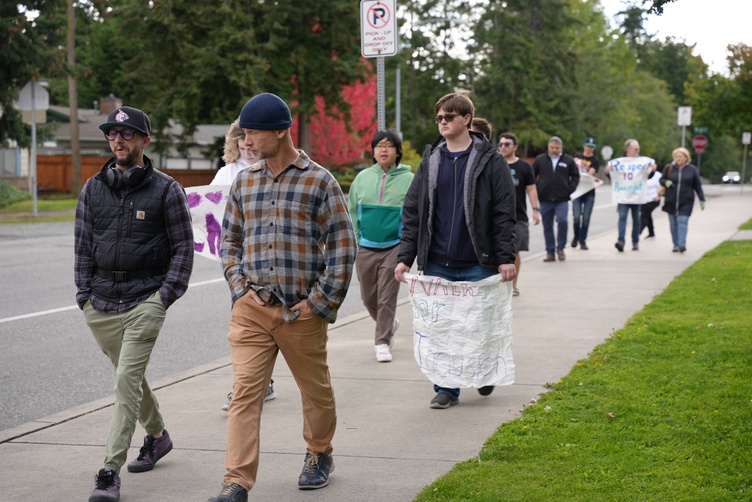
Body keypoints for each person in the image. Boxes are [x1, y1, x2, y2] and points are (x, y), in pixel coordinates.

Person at [208, 93, 357, 502]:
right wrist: (239, 291)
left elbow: (343, 247)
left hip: (300, 312)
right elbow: (230, 242)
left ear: (279, 131)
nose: (247, 140)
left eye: (253, 132)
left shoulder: (320, 180)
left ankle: (319, 452)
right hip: (252, 310)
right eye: (245, 133)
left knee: (316, 393)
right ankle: (236, 481)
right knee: (244, 395)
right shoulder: (244, 180)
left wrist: (317, 305)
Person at [75, 106, 194, 502]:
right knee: (133, 379)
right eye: (112, 134)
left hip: (146, 299)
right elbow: (82, 247)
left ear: (145, 140)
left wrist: (164, 298)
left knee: (125, 383)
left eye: (127, 134)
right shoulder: (93, 188)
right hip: (101, 303)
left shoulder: (166, 190)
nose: (118, 140)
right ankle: (158, 437)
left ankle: (109, 472)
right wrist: (84, 297)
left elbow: (182, 249)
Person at [394, 92, 516, 409]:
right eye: (439, 118)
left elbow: (504, 212)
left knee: (480, 325)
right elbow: (412, 212)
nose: (443, 123)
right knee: (442, 330)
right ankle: (447, 388)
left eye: (449, 117)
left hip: (479, 260)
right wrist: (405, 257)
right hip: (437, 262)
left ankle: (485, 372)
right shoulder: (431, 161)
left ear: (466, 119)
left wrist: (505, 258)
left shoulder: (491, 160)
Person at [212, 119, 277, 411]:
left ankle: (263, 381)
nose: (248, 151)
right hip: (238, 258)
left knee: (270, 321)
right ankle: (248, 385)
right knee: (243, 325)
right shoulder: (227, 173)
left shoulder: (270, 168)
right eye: (241, 145)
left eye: (250, 143)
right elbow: (210, 206)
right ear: (234, 145)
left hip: (266, 254)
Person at [348, 130, 414, 362]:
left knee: (387, 297)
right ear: (373, 152)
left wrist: (408, 245)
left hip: (394, 246)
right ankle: (389, 323)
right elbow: (353, 210)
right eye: (379, 146)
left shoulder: (409, 179)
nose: (383, 150)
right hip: (365, 246)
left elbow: (413, 215)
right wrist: (355, 239)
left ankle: (382, 342)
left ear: (397, 151)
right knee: (369, 298)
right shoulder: (362, 178)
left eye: (389, 146)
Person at [498, 132, 540, 296]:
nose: (503, 147)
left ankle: (512, 286)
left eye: (507, 144)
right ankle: (499, 285)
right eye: (500, 144)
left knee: (514, 252)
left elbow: (531, 189)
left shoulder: (524, 167)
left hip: (518, 216)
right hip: (496, 217)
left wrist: (535, 210)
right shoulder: (495, 164)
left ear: (515, 147)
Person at [532, 136, 579, 262]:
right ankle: (550, 252)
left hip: (562, 199)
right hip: (545, 199)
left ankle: (561, 248)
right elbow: (532, 176)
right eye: (552, 148)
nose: (554, 150)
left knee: (563, 221)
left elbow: (575, 176)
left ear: (561, 148)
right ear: (548, 147)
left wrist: (569, 190)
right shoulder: (540, 159)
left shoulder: (568, 160)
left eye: (557, 148)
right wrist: (538, 189)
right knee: (547, 226)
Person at [604, 139, 656, 252]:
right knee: (622, 218)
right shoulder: (619, 162)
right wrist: (608, 172)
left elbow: (648, 176)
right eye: (635, 148)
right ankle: (621, 241)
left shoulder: (642, 162)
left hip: (636, 195)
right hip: (623, 195)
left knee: (636, 220)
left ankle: (635, 241)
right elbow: (613, 177)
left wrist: (652, 170)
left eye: (638, 148)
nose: (637, 150)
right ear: (628, 149)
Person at [660, 147, 705, 253]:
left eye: (680, 156)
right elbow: (661, 179)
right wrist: (665, 182)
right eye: (676, 156)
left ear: (686, 158)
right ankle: (675, 244)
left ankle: (681, 244)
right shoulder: (669, 168)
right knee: (673, 224)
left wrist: (702, 199)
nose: (678, 158)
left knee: (682, 221)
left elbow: (697, 185)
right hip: (671, 201)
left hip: (686, 201)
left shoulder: (692, 170)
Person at [572, 137, 601, 250]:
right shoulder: (577, 157)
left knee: (586, 218)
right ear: (584, 146)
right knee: (576, 217)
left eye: (592, 147)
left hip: (589, 191)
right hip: (577, 191)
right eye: (588, 146)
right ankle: (576, 236)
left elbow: (591, 173)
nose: (589, 148)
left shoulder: (595, 160)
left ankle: (582, 240)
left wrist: (586, 172)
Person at [640, 164, 662, 238]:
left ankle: (637, 234)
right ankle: (651, 233)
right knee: (647, 214)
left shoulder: (657, 175)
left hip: (653, 199)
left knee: (644, 216)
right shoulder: (642, 174)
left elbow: (661, 186)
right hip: (643, 199)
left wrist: (658, 196)